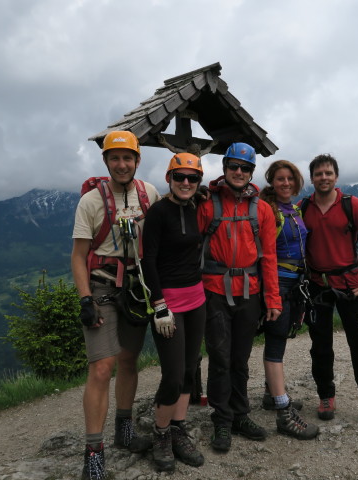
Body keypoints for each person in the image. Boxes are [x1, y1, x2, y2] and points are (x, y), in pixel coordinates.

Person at [71, 130, 160, 480]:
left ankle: (124, 428)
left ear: (137, 160)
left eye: (128, 158)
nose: (122, 164)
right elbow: (78, 256)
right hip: (103, 287)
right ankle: (93, 451)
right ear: (106, 161)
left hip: (136, 290)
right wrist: (85, 299)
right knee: (102, 367)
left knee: (128, 361)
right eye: (115, 158)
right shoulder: (91, 201)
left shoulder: (148, 194)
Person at [197, 142, 282, 452]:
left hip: (250, 293)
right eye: (233, 166)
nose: (238, 172)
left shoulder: (262, 210)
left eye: (244, 168)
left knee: (240, 359)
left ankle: (240, 414)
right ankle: (222, 420)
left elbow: (269, 257)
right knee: (220, 358)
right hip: (214, 291)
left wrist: (273, 298)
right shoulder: (207, 205)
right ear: (224, 168)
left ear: (251, 173)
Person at [302, 153, 358, 430]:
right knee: (320, 346)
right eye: (319, 174)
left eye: (328, 173)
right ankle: (326, 397)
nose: (324, 178)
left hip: (351, 286)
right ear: (312, 178)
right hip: (318, 285)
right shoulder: (303, 207)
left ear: (336, 177)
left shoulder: (352, 205)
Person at [141, 153, 207, 472]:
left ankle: (178, 428)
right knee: (172, 375)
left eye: (192, 178)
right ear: (168, 178)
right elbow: (147, 260)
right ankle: (161, 433)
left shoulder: (196, 206)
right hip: (168, 304)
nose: (185, 182)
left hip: (197, 299)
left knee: (190, 371)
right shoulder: (158, 213)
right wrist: (158, 304)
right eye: (179, 176)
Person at [259, 160, 318, 440]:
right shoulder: (270, 211)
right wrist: (271, 294)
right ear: (272, 182)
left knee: (280, 337)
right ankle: (283, 411)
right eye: (280, 179)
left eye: (290, 179)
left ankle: (272, 395)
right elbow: (267, 253)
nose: (286, 183)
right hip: (279, 283)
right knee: (276, 340)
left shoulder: (293, 209)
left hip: (295, 283)